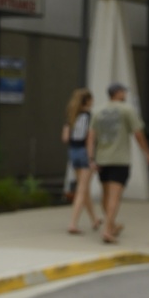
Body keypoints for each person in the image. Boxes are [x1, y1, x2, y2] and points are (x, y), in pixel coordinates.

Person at [87, 82, 149, 244]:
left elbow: (91, 136)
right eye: (124, 92)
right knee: (115, 197)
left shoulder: (98, 111)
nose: (125, 95)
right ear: (117, 93)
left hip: (102, 158)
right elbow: (138, 133)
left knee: (106, 195)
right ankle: (107, 230)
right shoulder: (127, 110)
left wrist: (91, 158)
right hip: (120, 159)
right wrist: (147, 152)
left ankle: (112, 225)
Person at [62, 88, 101, 234]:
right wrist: (91, 159)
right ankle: (73, 223)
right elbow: (90, 140)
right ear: (88, 101)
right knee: (82, 190)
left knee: (84, 189)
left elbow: (65, 138)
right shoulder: (90, 117)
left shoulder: (71, 117)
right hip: (85, 152)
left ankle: (94, 219)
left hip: (73, 151)